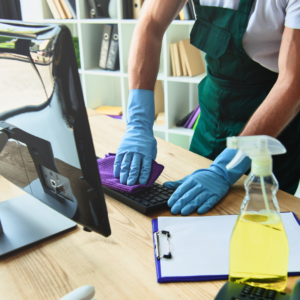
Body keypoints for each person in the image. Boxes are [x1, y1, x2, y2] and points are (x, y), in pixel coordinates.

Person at [113, 0, 300, 215]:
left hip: (271, 130)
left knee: (257, 226)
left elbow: (292, 84)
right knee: (185, 215)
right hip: (213, 118)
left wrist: (226, 168)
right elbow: (150, 23)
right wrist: (138, 122)